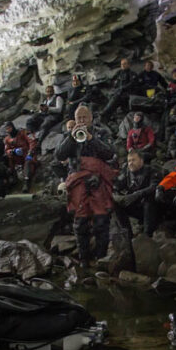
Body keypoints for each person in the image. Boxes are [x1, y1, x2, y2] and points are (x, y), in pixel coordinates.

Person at [56, 105, 117, 265]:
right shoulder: (70, 134)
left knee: (101, 219)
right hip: (77, 181)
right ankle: (84, 258)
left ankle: (101, 257)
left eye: (84, 118)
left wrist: (91, 138)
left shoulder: (102, 132)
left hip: (99, 180)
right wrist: (71, 137)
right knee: (80, 221)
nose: (82, 121)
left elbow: (110, 153)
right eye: (79, 118)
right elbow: (59, 154)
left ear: (91, 118)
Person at [113, 149, 161, 237]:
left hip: (154, 209)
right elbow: (116, 186)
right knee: (117, 204)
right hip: (138, 208)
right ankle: (128, 235)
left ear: (141, 160)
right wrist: (118, 197)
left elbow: (154, 186)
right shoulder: (127, 173)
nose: (130, 163)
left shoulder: (151, 170)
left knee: (149, 198)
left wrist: (137, 194)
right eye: (129, 161)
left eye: (133, 160)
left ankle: (147, 234)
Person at [2, 122, 37, 192]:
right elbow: (6, 150)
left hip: (28, 155)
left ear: (13, 127)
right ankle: (13, 177)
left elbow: (32, 142)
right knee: (7, 158)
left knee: (28, 165)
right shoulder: (7, 139)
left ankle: (26, 183)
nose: (8, 130)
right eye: (7, 129)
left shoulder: (23, 132)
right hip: (18, 158)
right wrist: (13, 151)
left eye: (9, 128)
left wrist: (30, 153)